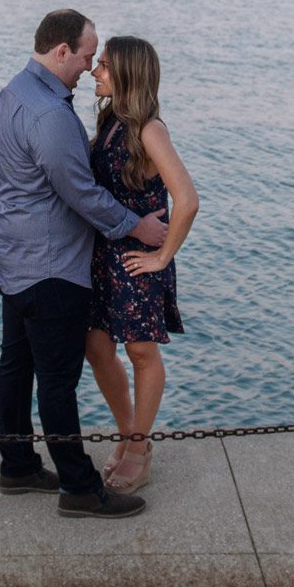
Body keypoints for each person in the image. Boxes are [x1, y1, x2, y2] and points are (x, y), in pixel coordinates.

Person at [0, 9, 166, 519]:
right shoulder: (50, 114)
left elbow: (4, 171)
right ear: (62, 51)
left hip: (12, 256)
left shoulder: (14, 92)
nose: (91, 67)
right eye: (89, 56)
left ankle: (18, 465)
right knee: (58, 380)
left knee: (16, 366)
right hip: (50, 266)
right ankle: (80, 487)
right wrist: (138, 227)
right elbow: (82, 194)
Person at [83, 36, 198, 494]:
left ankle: (137, 445)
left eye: (105, 66)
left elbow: (187, 200)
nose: (95, 72)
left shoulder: (150, 129)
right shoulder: (111, 120)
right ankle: (132, 434)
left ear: (128, 74)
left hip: (136, 261)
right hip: (103, 256)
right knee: (95, 349)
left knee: (141, 353)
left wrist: (163, 256)